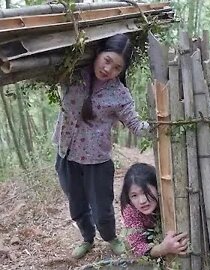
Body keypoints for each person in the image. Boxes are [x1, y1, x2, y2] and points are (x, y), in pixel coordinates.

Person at [53, 34, 151, 259]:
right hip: (65, 152)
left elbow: (136, 125)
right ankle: (87, 238)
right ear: (97, 53)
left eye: (117, 68)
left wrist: (159, 124)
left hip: (97, 160)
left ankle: (110, 237)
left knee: (102, 206)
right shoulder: (73, 74)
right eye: (107, 60)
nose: (108, 69)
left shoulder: (119, 94)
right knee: (76, 202)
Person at [120, 163, 189, 257]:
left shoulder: (171, 199)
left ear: (158, 187)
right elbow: (137, 247)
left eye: (146, 192)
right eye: (134, 195)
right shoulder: (130, 210)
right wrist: (163, 248)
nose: (142, 201)